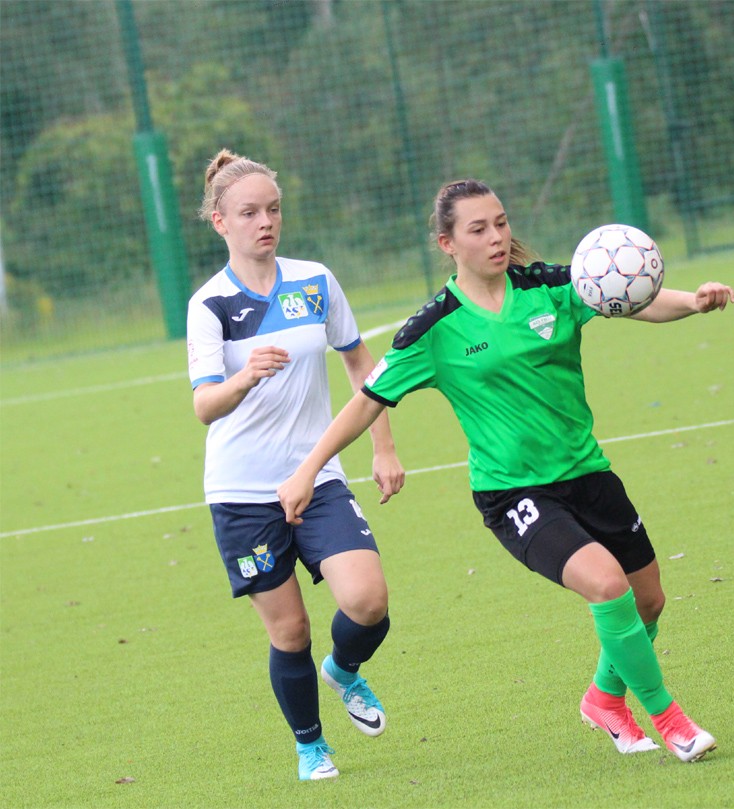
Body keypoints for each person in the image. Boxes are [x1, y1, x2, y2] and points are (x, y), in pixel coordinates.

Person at [278, 179, 734, 762]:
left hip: (588, 474)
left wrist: (693, 301)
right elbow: (367, 401)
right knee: (607, 585)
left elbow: (630, 297)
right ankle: (671, 720)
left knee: (648, 602)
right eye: (478, 229)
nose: (496, 237)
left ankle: (603, 700)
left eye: (500, 222)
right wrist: (309, 469)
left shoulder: (551, 286)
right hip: (514, 493)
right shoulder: (434, 327)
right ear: (448, 243)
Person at [186, 149, 405, 781]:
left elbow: (363, 366)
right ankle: (311, 747)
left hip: (317, 474)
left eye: (273, 209)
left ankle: (345, 670)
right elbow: (204, 406)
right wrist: (245, 377)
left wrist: (382, 445)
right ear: (220, 221)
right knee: (290, 632)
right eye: (249, 213)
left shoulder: (316, 281)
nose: (266, 222)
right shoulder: (211, 304)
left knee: (368, 601)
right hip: (241, 492)